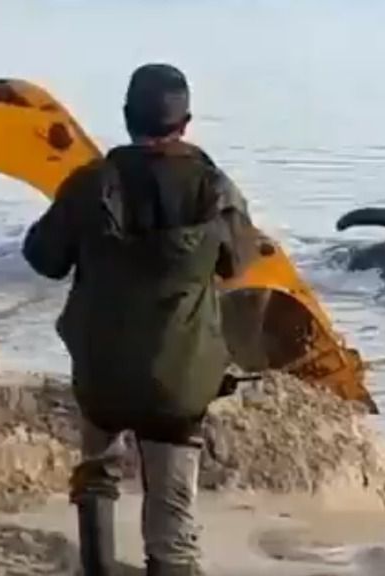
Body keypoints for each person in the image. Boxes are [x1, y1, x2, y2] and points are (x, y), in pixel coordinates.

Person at [21, 63, 261, 576]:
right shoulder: (215, 189)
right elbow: (239, 265)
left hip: (103, 374)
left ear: (127, 117)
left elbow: (43, 258)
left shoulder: (91, 184)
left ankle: (99, 566)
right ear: (187, 122)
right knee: (173, 518)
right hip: (180, 380)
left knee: (97, 473)